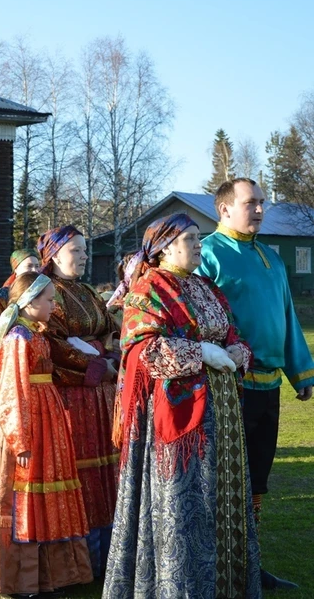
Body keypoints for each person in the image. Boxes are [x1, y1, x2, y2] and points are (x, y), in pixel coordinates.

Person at [104, 214, 262, 598]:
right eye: (190, 239)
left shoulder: (206, 286)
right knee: (186, 500)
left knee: (222, 495)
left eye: (198, 238)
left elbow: (233, 333)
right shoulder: (148, 288)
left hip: (221, 412)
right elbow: (143, 350)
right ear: (165, 247)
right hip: (177, 416)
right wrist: (202, 352)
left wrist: (236, 352)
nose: (198, 245)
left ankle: (227, 585)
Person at [196, 177, 313, 590]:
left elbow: (286, 317)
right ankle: (214, 564)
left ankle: (249, 562)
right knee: (227, 477)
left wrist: (301, 372)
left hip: (268, 389)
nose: (260, 209)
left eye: (263, 202)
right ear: (224, 209)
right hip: (229, 387)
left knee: (258, 478)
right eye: (251, 202)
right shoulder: (207, 253)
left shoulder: (272, 257)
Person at [0, 272, 93, 597]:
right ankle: (23, 579)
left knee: (45, 493)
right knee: (25, 495)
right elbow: (11, 392)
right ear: (30, 302)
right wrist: (20, 440)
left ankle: (48, 576)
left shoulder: (37, 334)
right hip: (28, 424)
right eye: (50, 300)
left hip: (46, 420)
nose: (54, 306)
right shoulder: (18, 338)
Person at [38, 225, 119, 577]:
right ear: (54, 255)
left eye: (85, 250)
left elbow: (110, 329)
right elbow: (53, 345)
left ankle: (110, 557)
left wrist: (111, 355)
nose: (84, 256)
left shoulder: (87, 291)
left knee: (106, 471)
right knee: (82, 472)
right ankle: (83, 561)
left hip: (102, 395)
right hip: (73, 397)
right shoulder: (46, 293)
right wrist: (99, 363)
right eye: (76, 250)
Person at [0, 248, 39, 319]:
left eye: (37, 266)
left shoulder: (43, 289)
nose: (34, 270)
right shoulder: (5, 292)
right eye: (29, 266)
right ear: (16, 269)